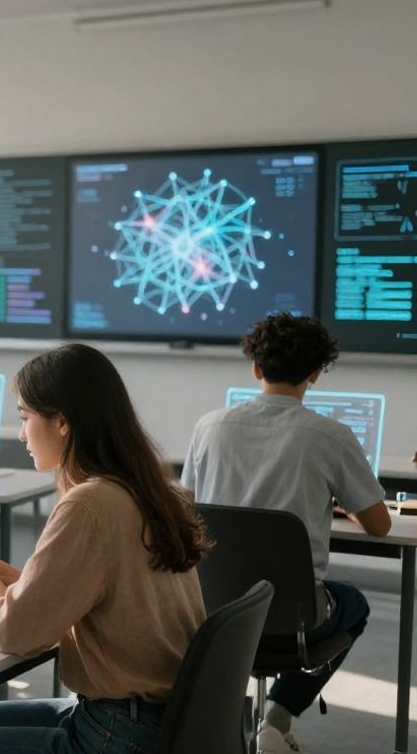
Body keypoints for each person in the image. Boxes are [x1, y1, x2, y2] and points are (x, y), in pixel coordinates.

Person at [0, 343, 208, 754]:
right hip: (161, 718)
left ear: (62, 421)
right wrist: (28, 583)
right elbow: (117, 594)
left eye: (25, 417)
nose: (20, 433)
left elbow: (16, 633)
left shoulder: (89, 504)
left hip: (119, 732)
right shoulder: (146, 489)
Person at [182, 313, 389, 754]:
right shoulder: (330, 435)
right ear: (316, 373)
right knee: (354, 603)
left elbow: (187, 508)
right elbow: (380, 524)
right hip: (295, 622)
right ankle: (276, 720)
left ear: (256, 367)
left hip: (212, 613)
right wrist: (344, 507)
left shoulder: (208, 427)